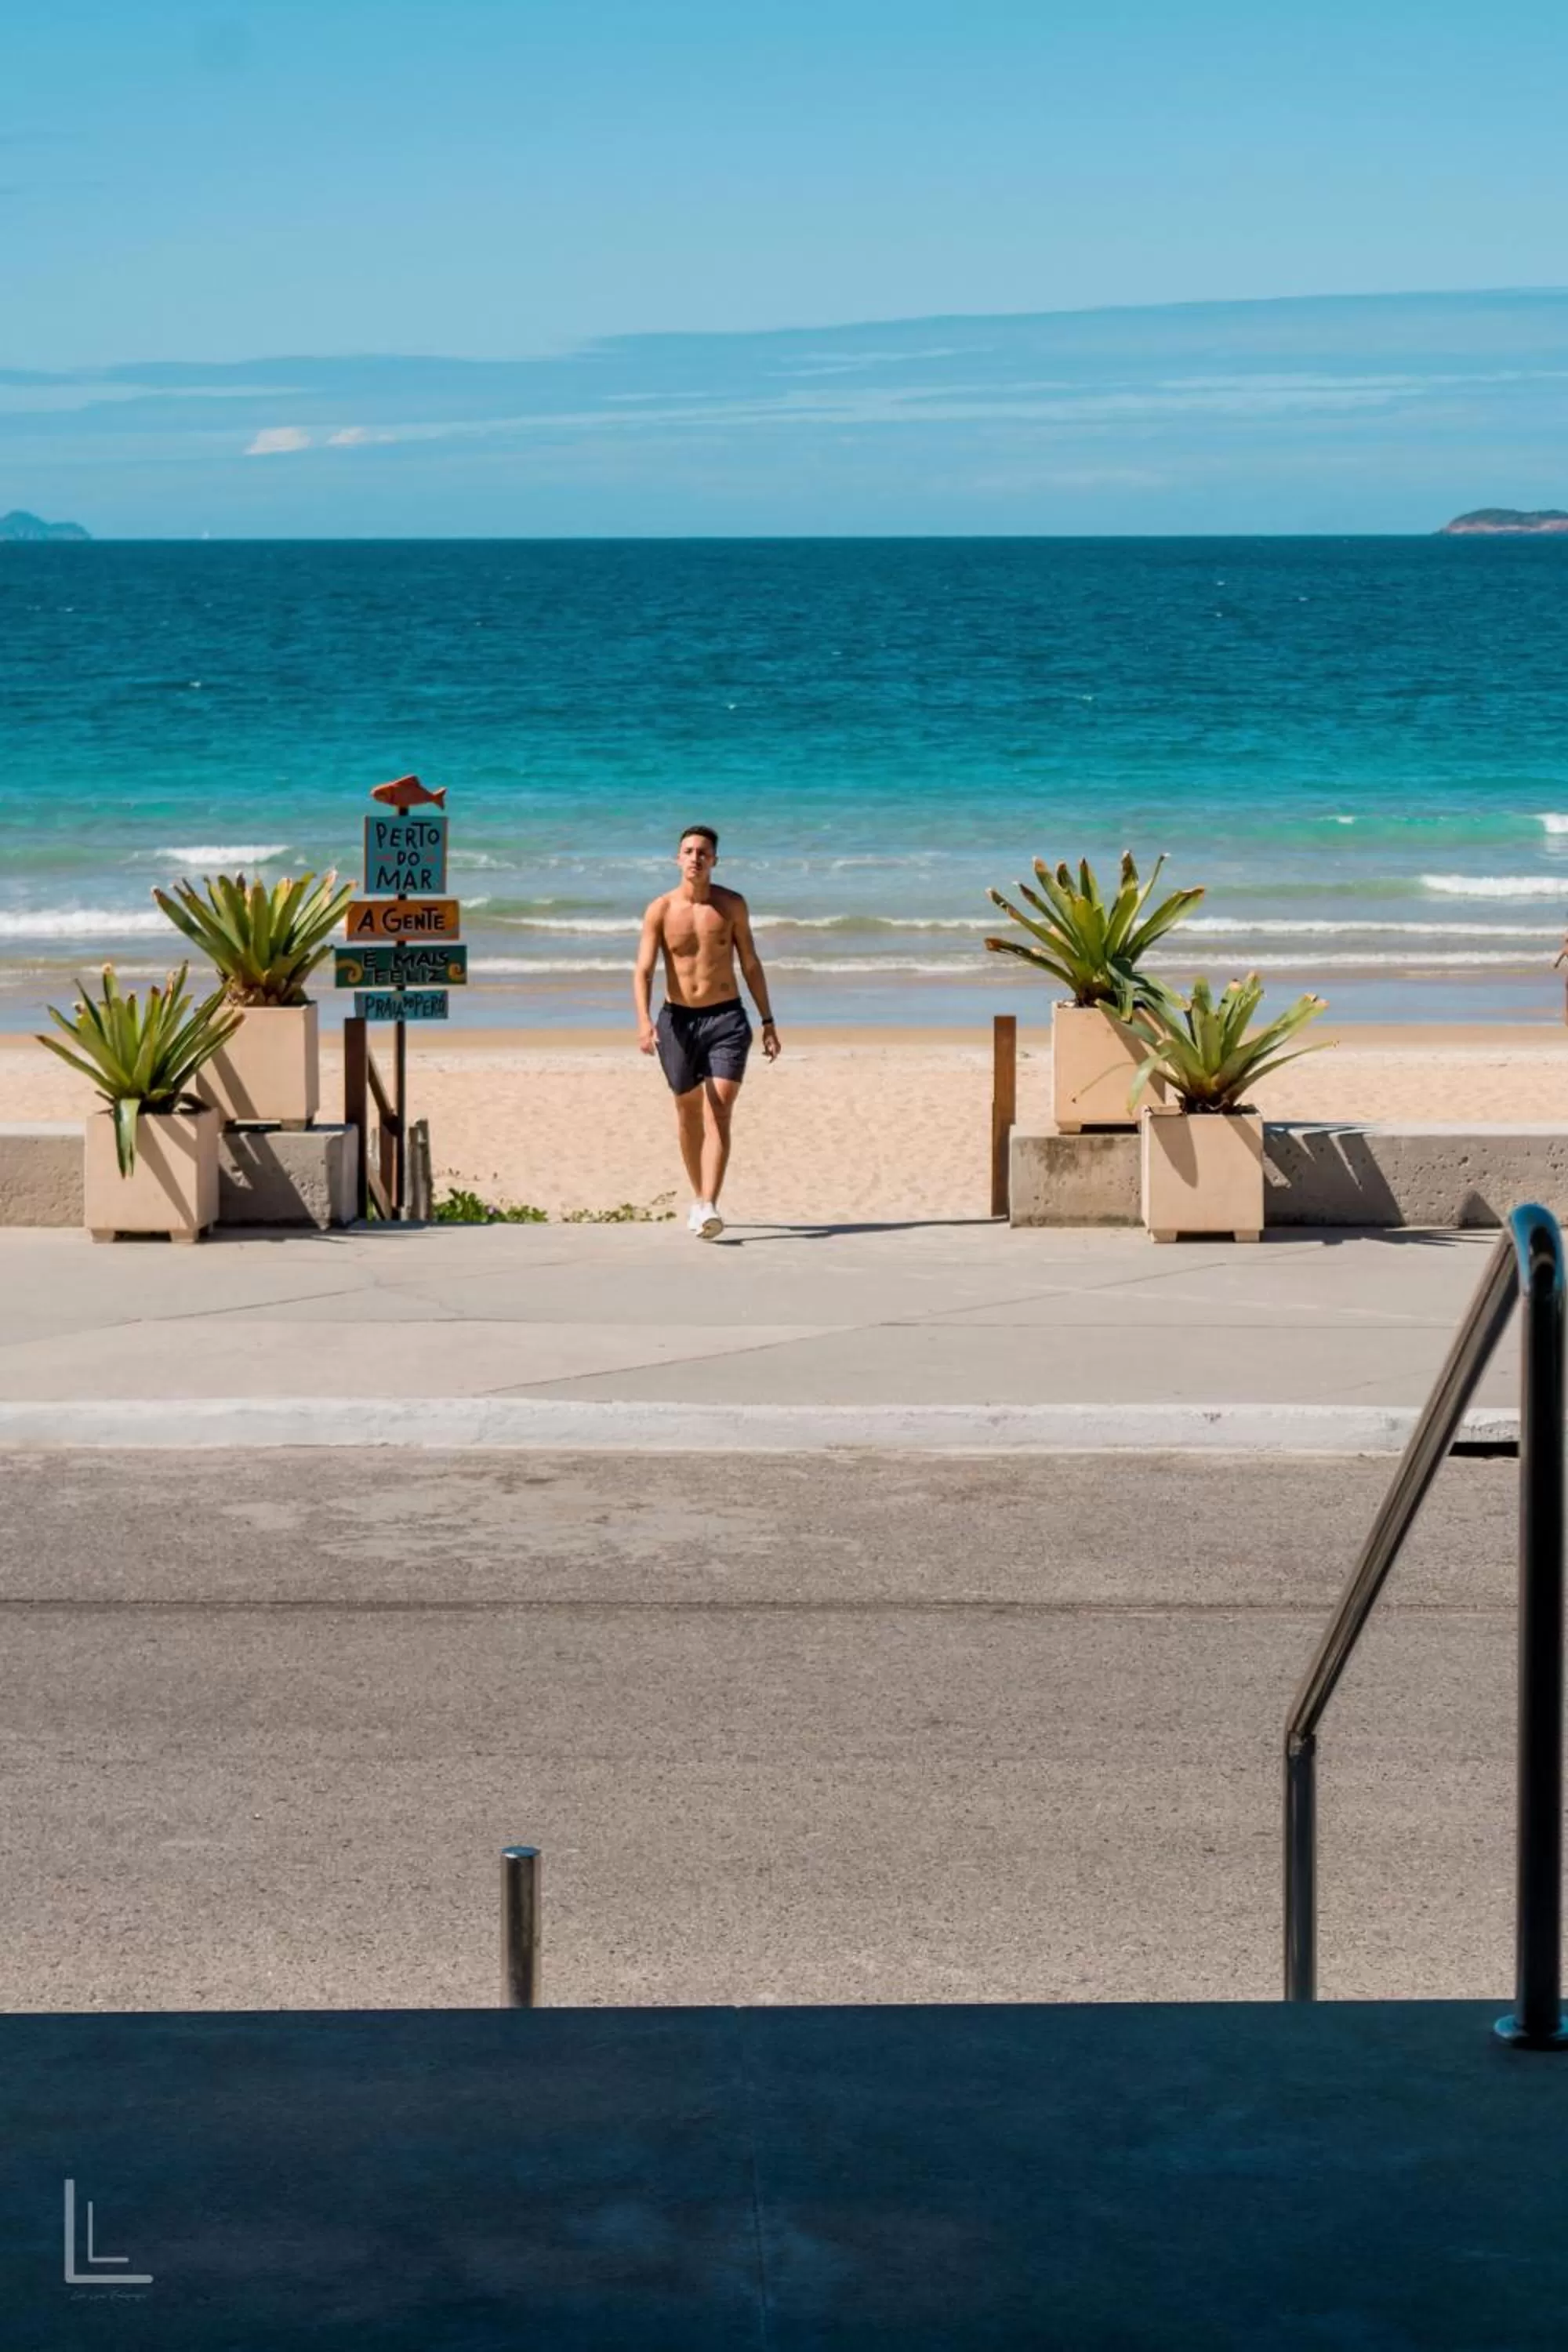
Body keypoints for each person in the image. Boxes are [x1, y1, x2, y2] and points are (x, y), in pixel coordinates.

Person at [633, 825, 782, 1238]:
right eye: (688, 851)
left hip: (726, 1019)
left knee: (720, 1105)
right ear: (677, 859)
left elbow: (750, 962)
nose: (696, 857)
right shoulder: (660, 910)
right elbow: (643, 970)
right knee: (687, 1110)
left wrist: (768, 1021)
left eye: (703, 852)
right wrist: (644, 1022)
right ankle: (698, 1196)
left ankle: (708, 1204)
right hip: (677, 1021)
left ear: (714, 860)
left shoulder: (732, 905)